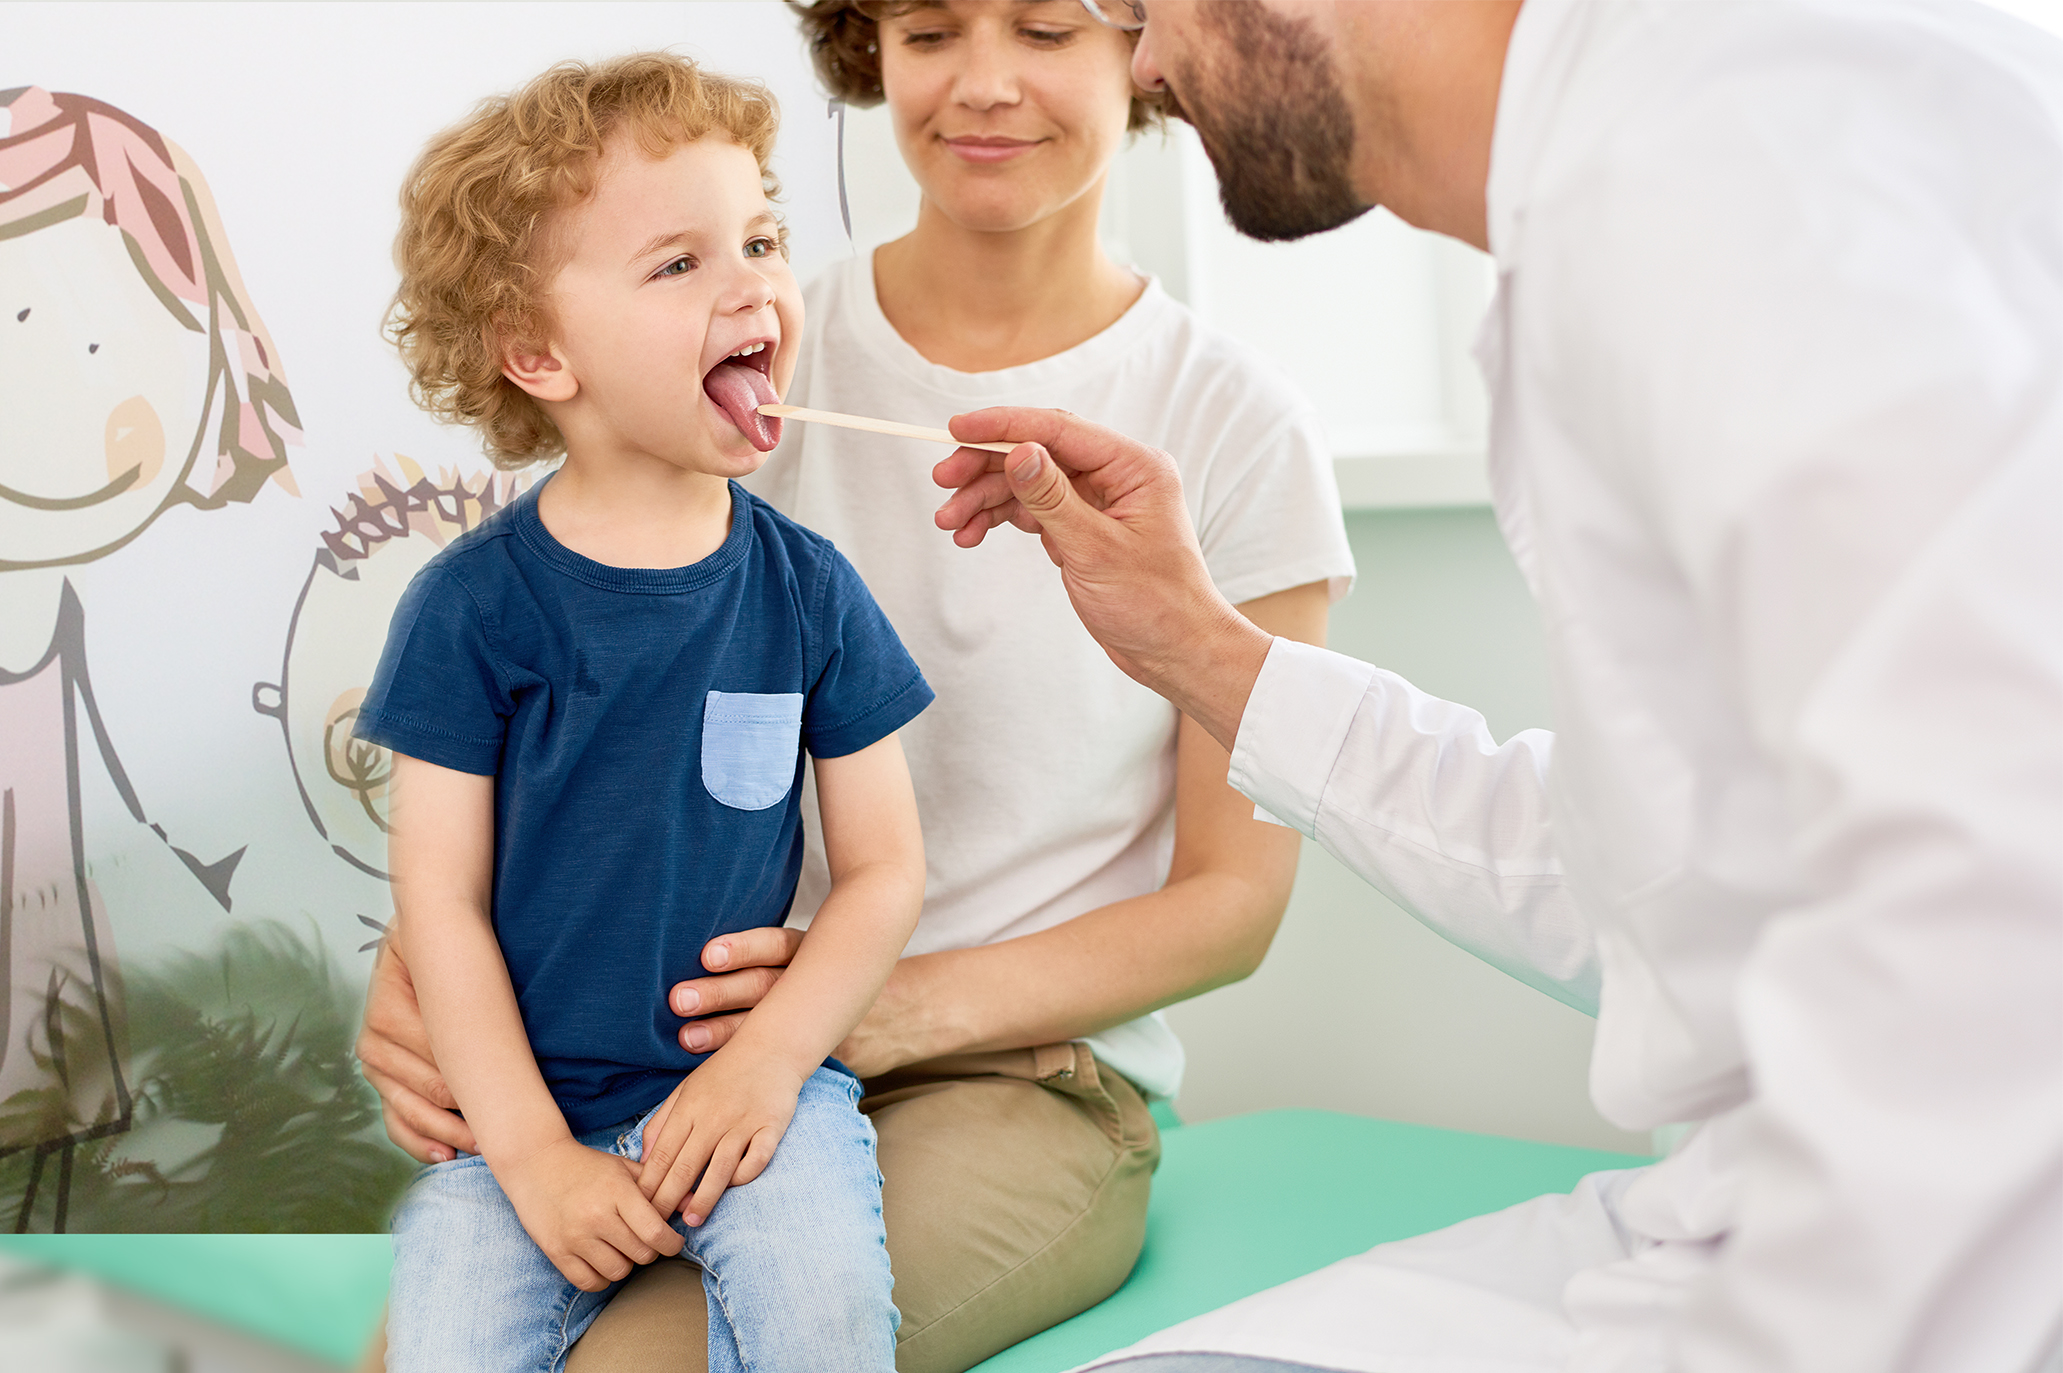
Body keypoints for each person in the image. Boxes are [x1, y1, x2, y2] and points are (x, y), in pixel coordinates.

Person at [929, 1, 2063, 1370]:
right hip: (1733, 1209)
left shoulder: (1730, 166)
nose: (1150, 60)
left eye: (1140, 7)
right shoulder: (1634, 177)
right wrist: (1200, 649)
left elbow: (1996, 930)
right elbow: (1674, 873)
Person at [355, 3, 1355, 1369]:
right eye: (933, 27)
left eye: (1050, 27)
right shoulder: (726, 352)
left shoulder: (1238, 429)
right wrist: (430, 981)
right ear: (866, 47)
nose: (986, 82)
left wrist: (858, 1015)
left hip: (1009, 1078)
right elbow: (565, 737)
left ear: (1147, 47)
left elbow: (1232, 907)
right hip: (664, 1062)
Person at [360, 53, 932, 1371]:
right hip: (525, 1129)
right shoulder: (469, 610)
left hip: (751, 1112)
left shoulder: (810, 590)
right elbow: (436, 902)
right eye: (678, 264)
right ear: (537, 352)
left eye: (761, 239)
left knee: (831, 1318)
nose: (751, 284)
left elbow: (886, 868)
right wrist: (535, 1157)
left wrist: (769, 1065)